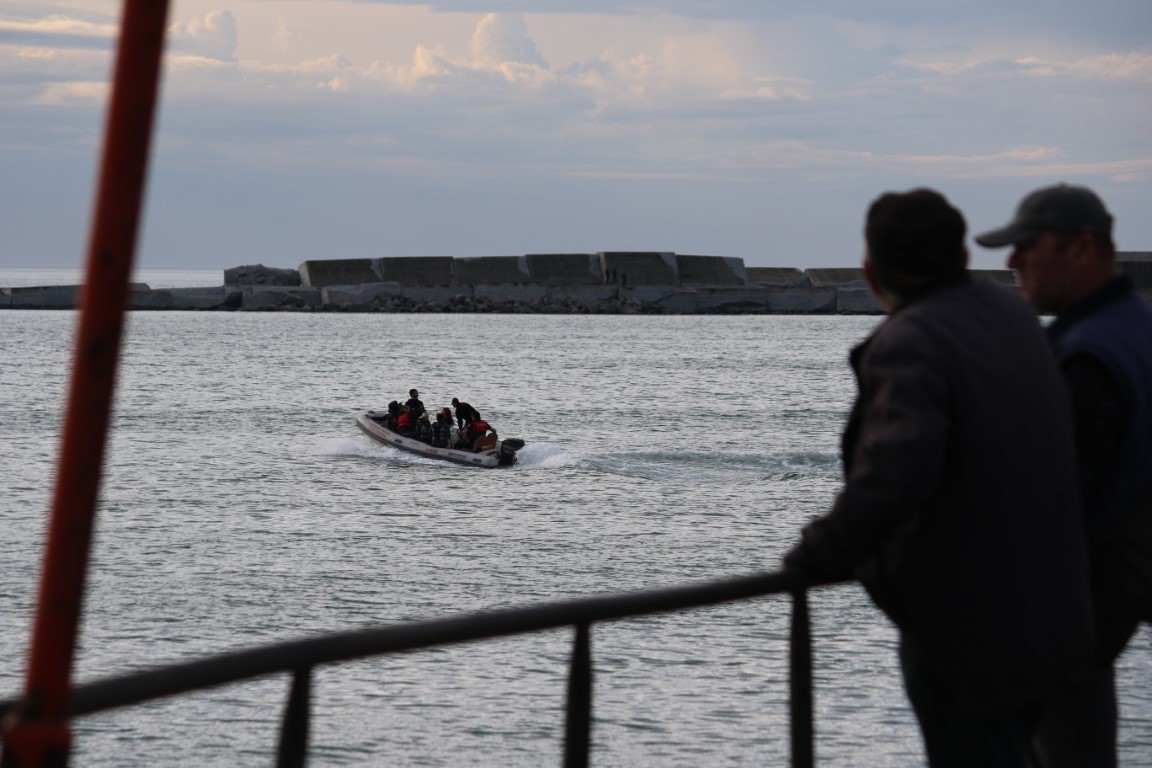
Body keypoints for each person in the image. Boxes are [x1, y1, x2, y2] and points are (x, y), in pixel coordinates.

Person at [781, 188, 1094, 767]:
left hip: (971, 632)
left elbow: (896, 473)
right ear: (961, 255)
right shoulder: (1012, 314)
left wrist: (815, 554)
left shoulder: (912, 340)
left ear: (871, 272)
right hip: (1052, 611)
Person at [976, 183, 1152, 765]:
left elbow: (1055, 507)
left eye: (1029, 246)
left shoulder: (1086, 357)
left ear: (1082, 249)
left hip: (1068, 620)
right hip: (1112, 604)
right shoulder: (1135, 329)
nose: (1013, 261)